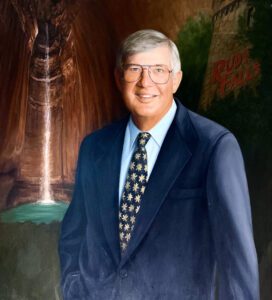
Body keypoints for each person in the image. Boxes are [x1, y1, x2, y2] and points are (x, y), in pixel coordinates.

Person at [59, 29, 259, 299]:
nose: (145, 82)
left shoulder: (215, 147)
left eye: (158, 70)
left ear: (176, 80)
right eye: (135, 69)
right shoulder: (94, 148)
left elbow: (237, 265)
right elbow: (73, 235)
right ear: (119, 78)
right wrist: (73, 288)